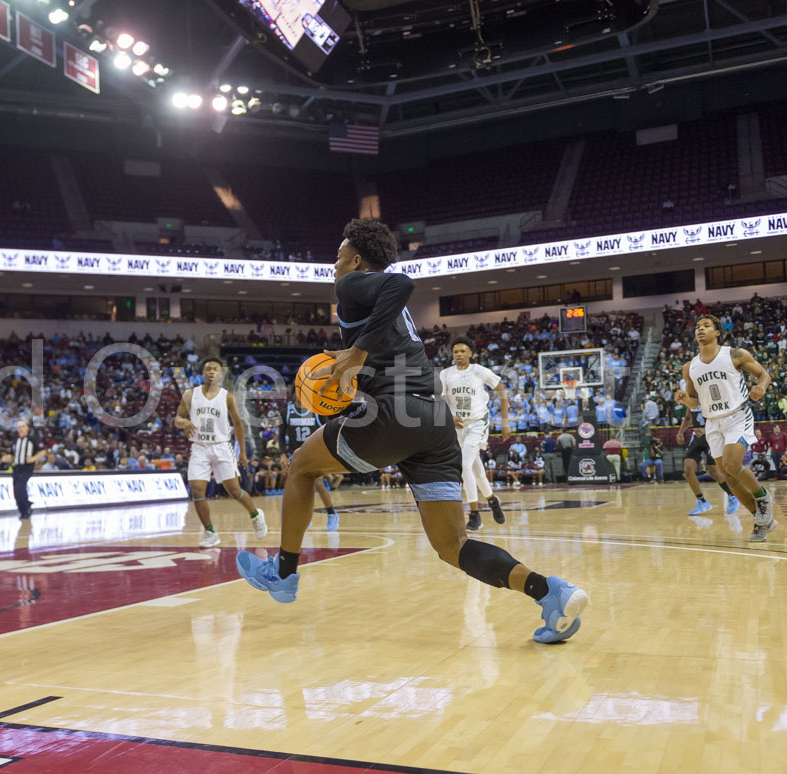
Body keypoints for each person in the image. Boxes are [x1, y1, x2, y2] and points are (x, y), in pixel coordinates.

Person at [235, 218, 588, 644]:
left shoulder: (353, 284)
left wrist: (358, 351)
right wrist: (353, 362)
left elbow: (401, 283)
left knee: (300, 466)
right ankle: (550, 592)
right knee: (453, 546)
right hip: (433, 421)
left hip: (395, 414)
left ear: (357, 259)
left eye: (340, 253)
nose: (335, 262)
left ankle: (284, 573)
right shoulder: (380, 309)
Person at [675, 315, 774, 542]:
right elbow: (694, 402)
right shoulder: (690, 367)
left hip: (737, 415)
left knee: (731, 464)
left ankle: (763, 497)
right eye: (698, 327)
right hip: (712, 421)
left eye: (706, 326)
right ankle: (761, 521)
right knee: (727, 476)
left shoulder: (735, 354)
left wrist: (761, 387)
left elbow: (763, 374)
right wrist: (684, 400)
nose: (700, 330)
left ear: (717, 332)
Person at [175, 357, 267, 548]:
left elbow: (239, 424)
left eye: (215, 369)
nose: (211, 372)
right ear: (202, 373)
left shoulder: (227, 397)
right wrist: (183, 422)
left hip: (222, 446)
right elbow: (178, 418)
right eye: (208, 369)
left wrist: (242, 452)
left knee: (233, 490)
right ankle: (210, 532)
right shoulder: (190, 395)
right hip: (200, 447)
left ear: (221, 374)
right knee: (197, 490)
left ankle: (256, 515)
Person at [439, 337, 508, 531]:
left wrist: (504, 422)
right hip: (458, 426)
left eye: (462, 351)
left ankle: (474, 515)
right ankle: (492, 500)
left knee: (464, 466)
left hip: (478, 423)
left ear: (470, 353)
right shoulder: (445, 374)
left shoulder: (479, 371)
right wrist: (449, 417)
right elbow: (440, 399)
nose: (459, 355)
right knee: (476, 471)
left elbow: (502, 392)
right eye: (455, 352)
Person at [284, 392, 340, 530]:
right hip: (295, 454)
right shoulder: (287, 411)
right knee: (299, 487)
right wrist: (282, 454)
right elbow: (281, 434)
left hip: (313, 452)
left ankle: (332, 513)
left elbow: (329, 428)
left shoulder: (316, 409)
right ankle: (305, 517)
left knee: (319, 483)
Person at [675, 401, 739, 516]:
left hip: (712, 435)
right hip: (697, 437)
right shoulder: (690, 400)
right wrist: (680, 432)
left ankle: (732, 496)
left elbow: (721, 417)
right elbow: (688, 418)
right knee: (688, 469)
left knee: (714, 470)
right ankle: (702, 501)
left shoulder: (709, 397)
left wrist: (706, 430)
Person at [11, 420, 44, 519]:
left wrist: (33, 459)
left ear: (27, 428)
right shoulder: (15, 441)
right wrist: (8, 457)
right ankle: (23, 510)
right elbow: (12, 454)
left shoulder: (32, 440)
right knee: (15, 490)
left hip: (27, 467)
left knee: (19, 487)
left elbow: (42, 451)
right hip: (16, 467)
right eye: (18, 427)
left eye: (22, 426)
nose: (20, 428)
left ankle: (27, 505)